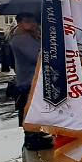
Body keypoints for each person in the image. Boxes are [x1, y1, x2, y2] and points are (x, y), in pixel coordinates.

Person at [9, 12, 53, 151]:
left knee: (37, 110)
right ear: (20, 22)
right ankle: (32, 140)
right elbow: (37, 55)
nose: (33, 24)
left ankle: (37, 136)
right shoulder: (20, 38)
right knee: (31, 111)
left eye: (34, 21)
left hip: (34, 79)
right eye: (28, 21)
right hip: (28, 81)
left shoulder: (30, 35)